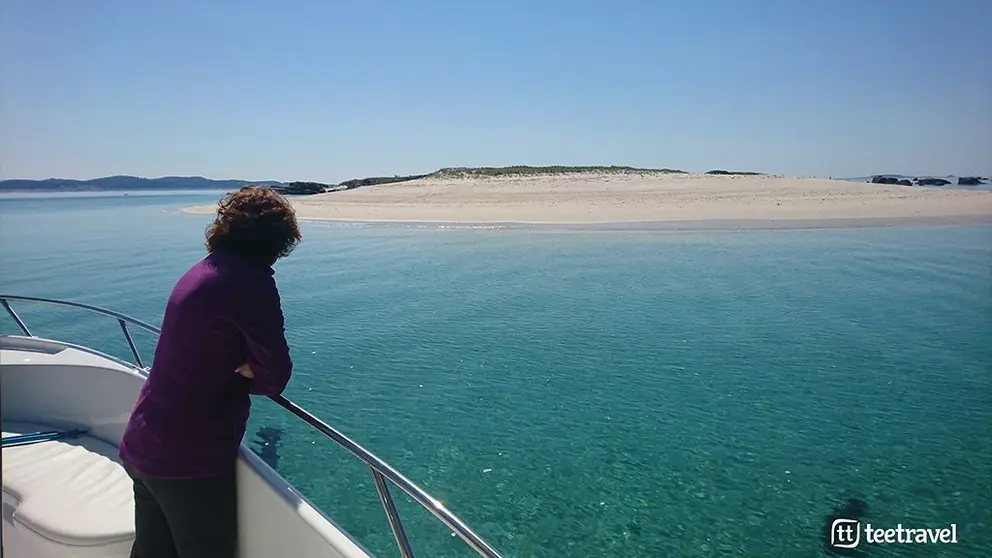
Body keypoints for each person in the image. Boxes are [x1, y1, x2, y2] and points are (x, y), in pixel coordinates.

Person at [119, 186, 302, 558]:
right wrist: (250, 372)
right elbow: (275, 376)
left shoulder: (205, 270)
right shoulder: (250, 282)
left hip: (143, 444)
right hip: (187, 459)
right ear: (280, 240)